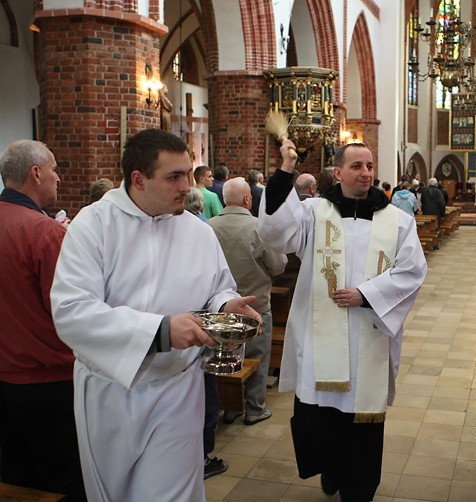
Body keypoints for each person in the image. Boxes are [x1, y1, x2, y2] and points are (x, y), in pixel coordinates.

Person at [50, 129, 262, 501]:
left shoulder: (197, 232)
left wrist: (226, 307)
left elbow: (218, 289)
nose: (187, 186)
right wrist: (160, 331)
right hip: (112, 391)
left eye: (188, 173)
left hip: (178, 389)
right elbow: (71, 310)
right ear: (138, 179)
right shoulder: (94, 225)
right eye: (174, 177)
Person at [258, 140, 427, 501]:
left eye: (369, 165)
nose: (366, 172)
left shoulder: (398, 220)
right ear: (338, 172)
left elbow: (412, 271)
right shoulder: (314, 213)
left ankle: (359, 488)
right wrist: (285, 169)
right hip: (321, 336)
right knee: (323, 418)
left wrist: (366, 295)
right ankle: (330, 470)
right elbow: (273, 232)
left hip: (369, 334)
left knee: (362, 423)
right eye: (357, 166)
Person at [0, 140, 86, 501]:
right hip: (48, 380)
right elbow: (71, 311)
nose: (59, 179)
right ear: (35, 173)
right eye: (54, 169)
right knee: (68, 481)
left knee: (18, 480)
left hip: (4, 377)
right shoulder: (44, 232)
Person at [208, 177, 287, 425]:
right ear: (247, 199)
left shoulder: (207, 227)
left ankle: (231, 407)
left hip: (218, 307)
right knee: (258, 356)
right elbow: (277, 266)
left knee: (226, 356)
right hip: (256, 304)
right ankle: (255, 407)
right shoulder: (258, 227)